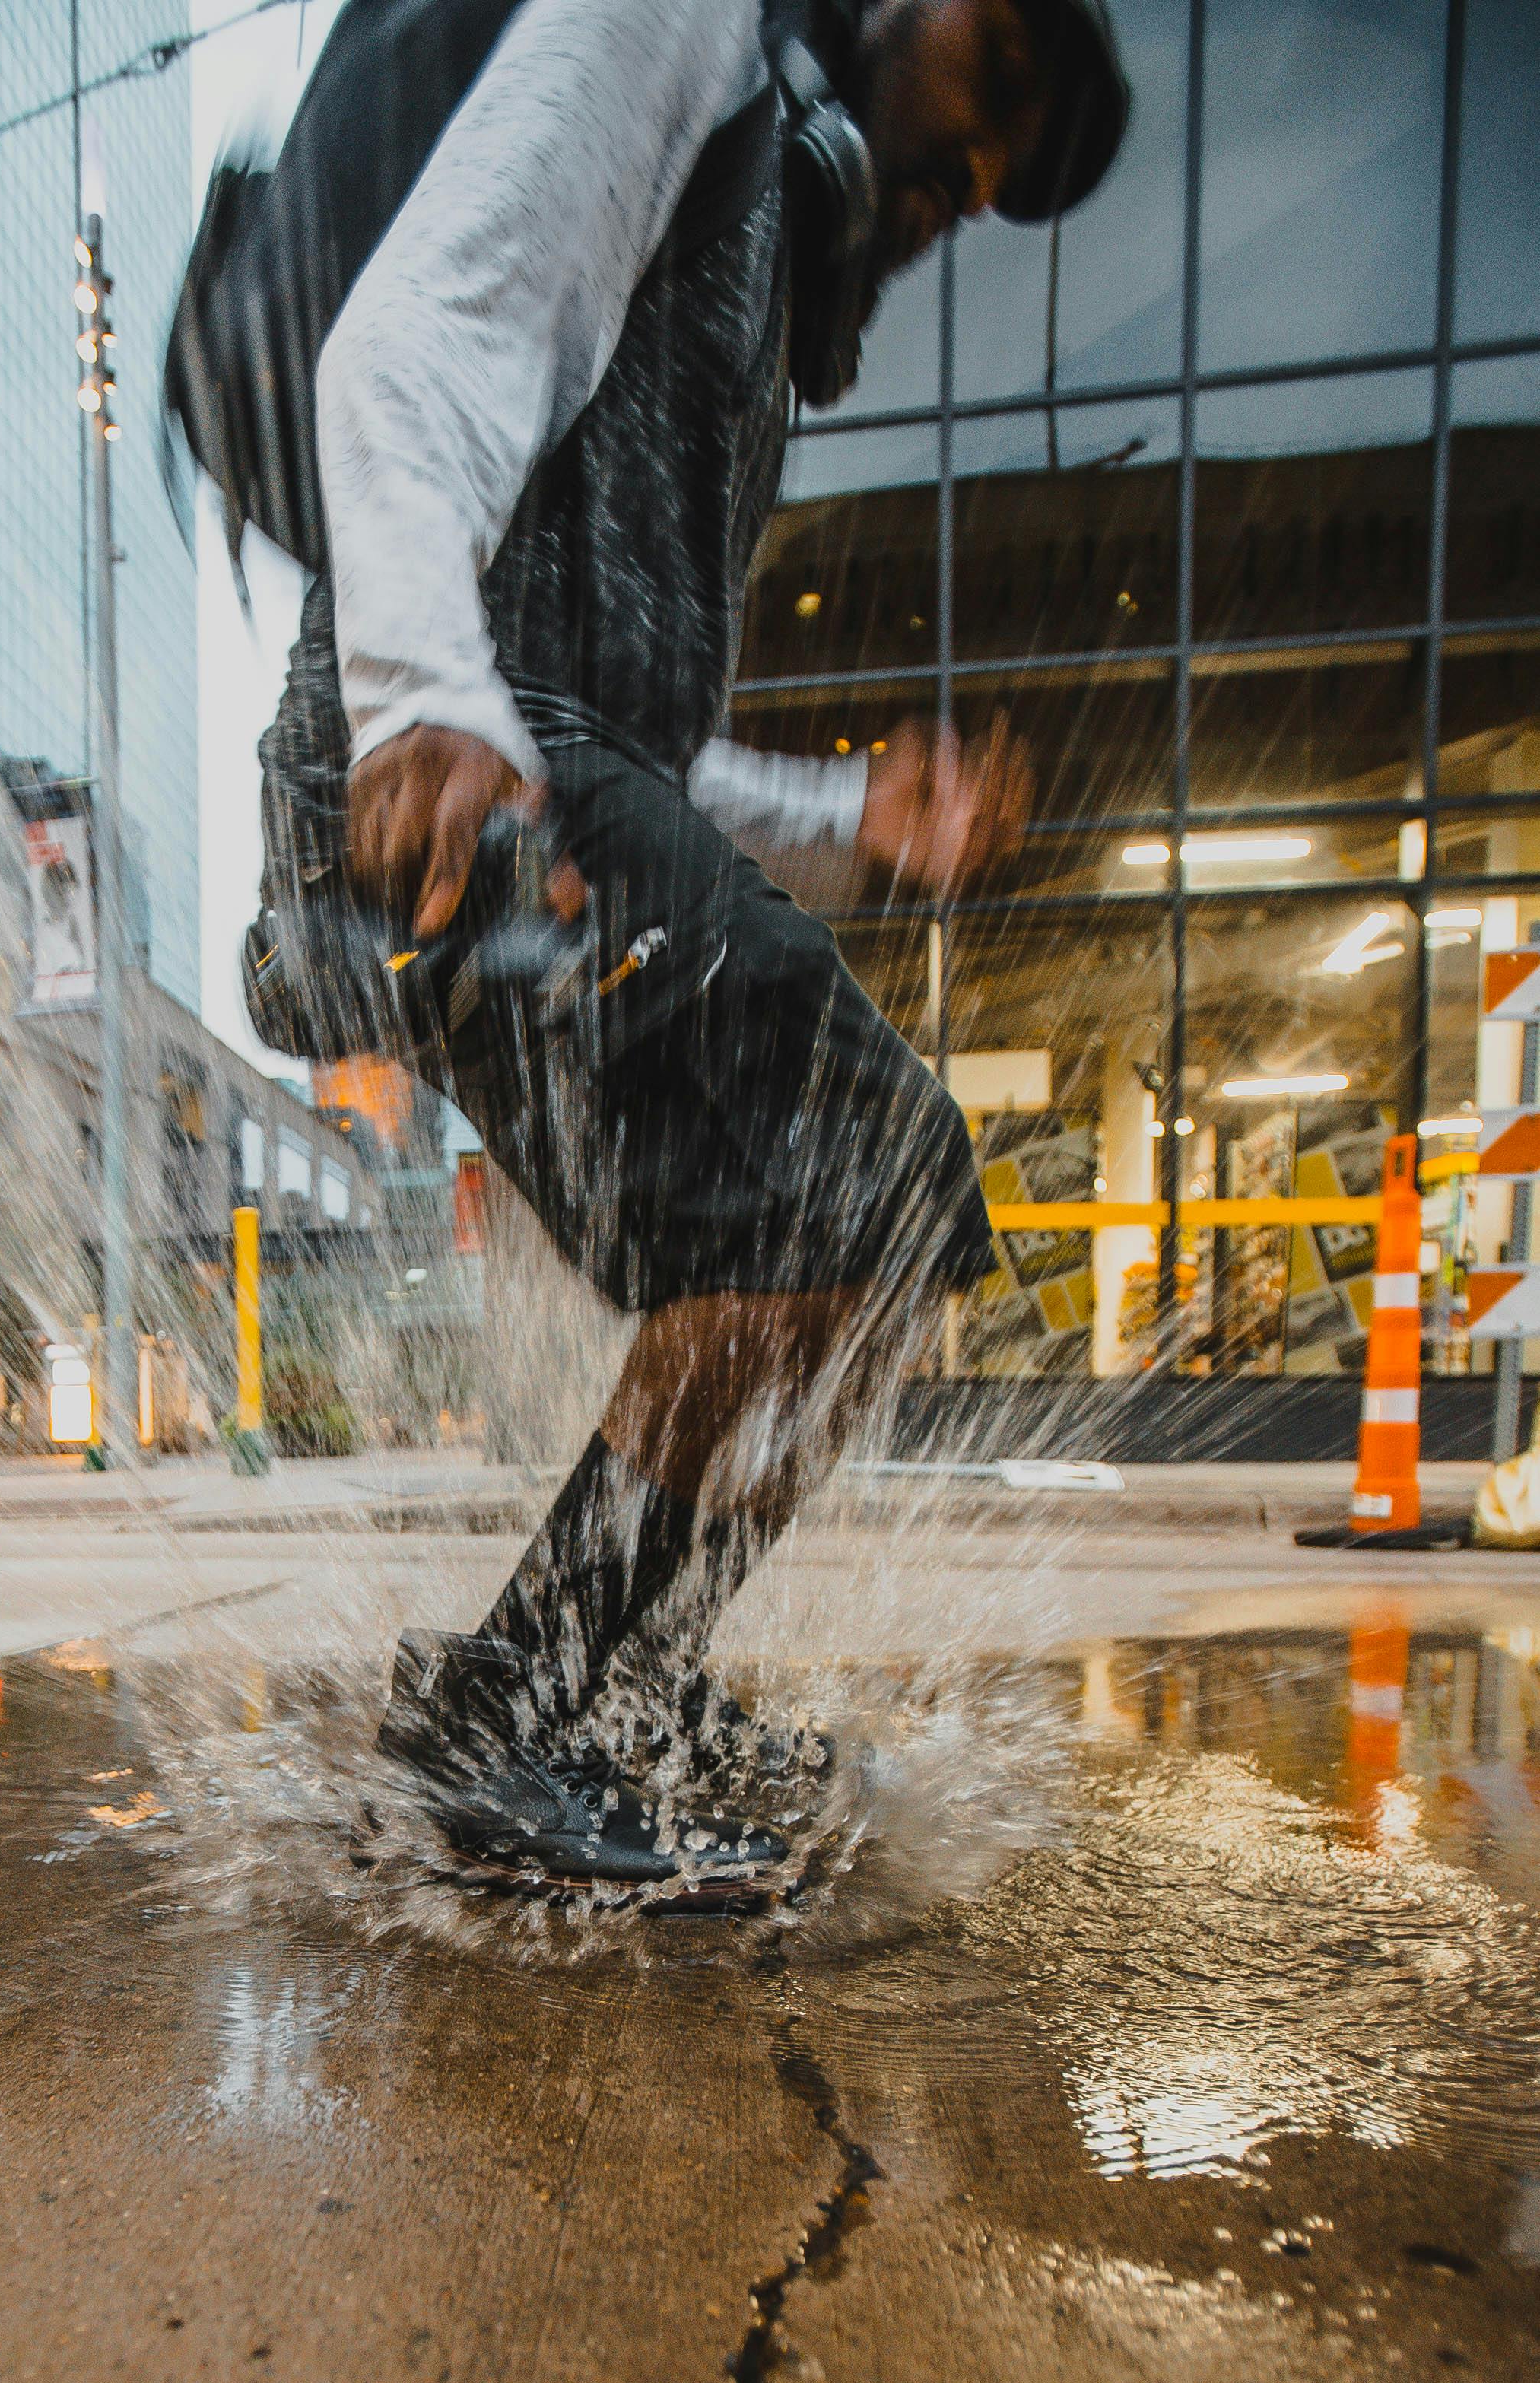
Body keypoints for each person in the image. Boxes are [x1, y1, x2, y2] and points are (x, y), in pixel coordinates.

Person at [189, 0, 1131, 1887]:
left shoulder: (765, 241)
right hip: (441, 779)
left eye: (999, 180)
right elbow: (408, 344)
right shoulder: (674, 20)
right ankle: (516, 1701)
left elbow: (631, 722)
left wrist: (847, 820)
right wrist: (419, 702)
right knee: (872, 1179)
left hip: (523, 770)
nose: (969, 174)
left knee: (852, 1233)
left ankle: (605, 1684)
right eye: (994, 71)